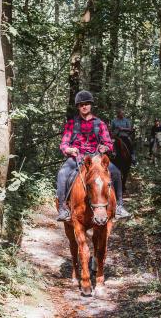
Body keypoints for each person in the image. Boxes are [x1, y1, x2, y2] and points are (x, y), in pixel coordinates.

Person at [56, 90, 131, 222]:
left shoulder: (100, 124)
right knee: (62, 173)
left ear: (91, 105)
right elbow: (64, 144)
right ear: (78, 107)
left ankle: (119, 206)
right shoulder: (71, 124)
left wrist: (105, 147)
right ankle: (63, 209)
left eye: (86, 104)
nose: (84, 106)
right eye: (81, 105)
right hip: (77, 157)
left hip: (96, 158)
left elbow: (109, 143)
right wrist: (69, 149)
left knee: (116, 173)